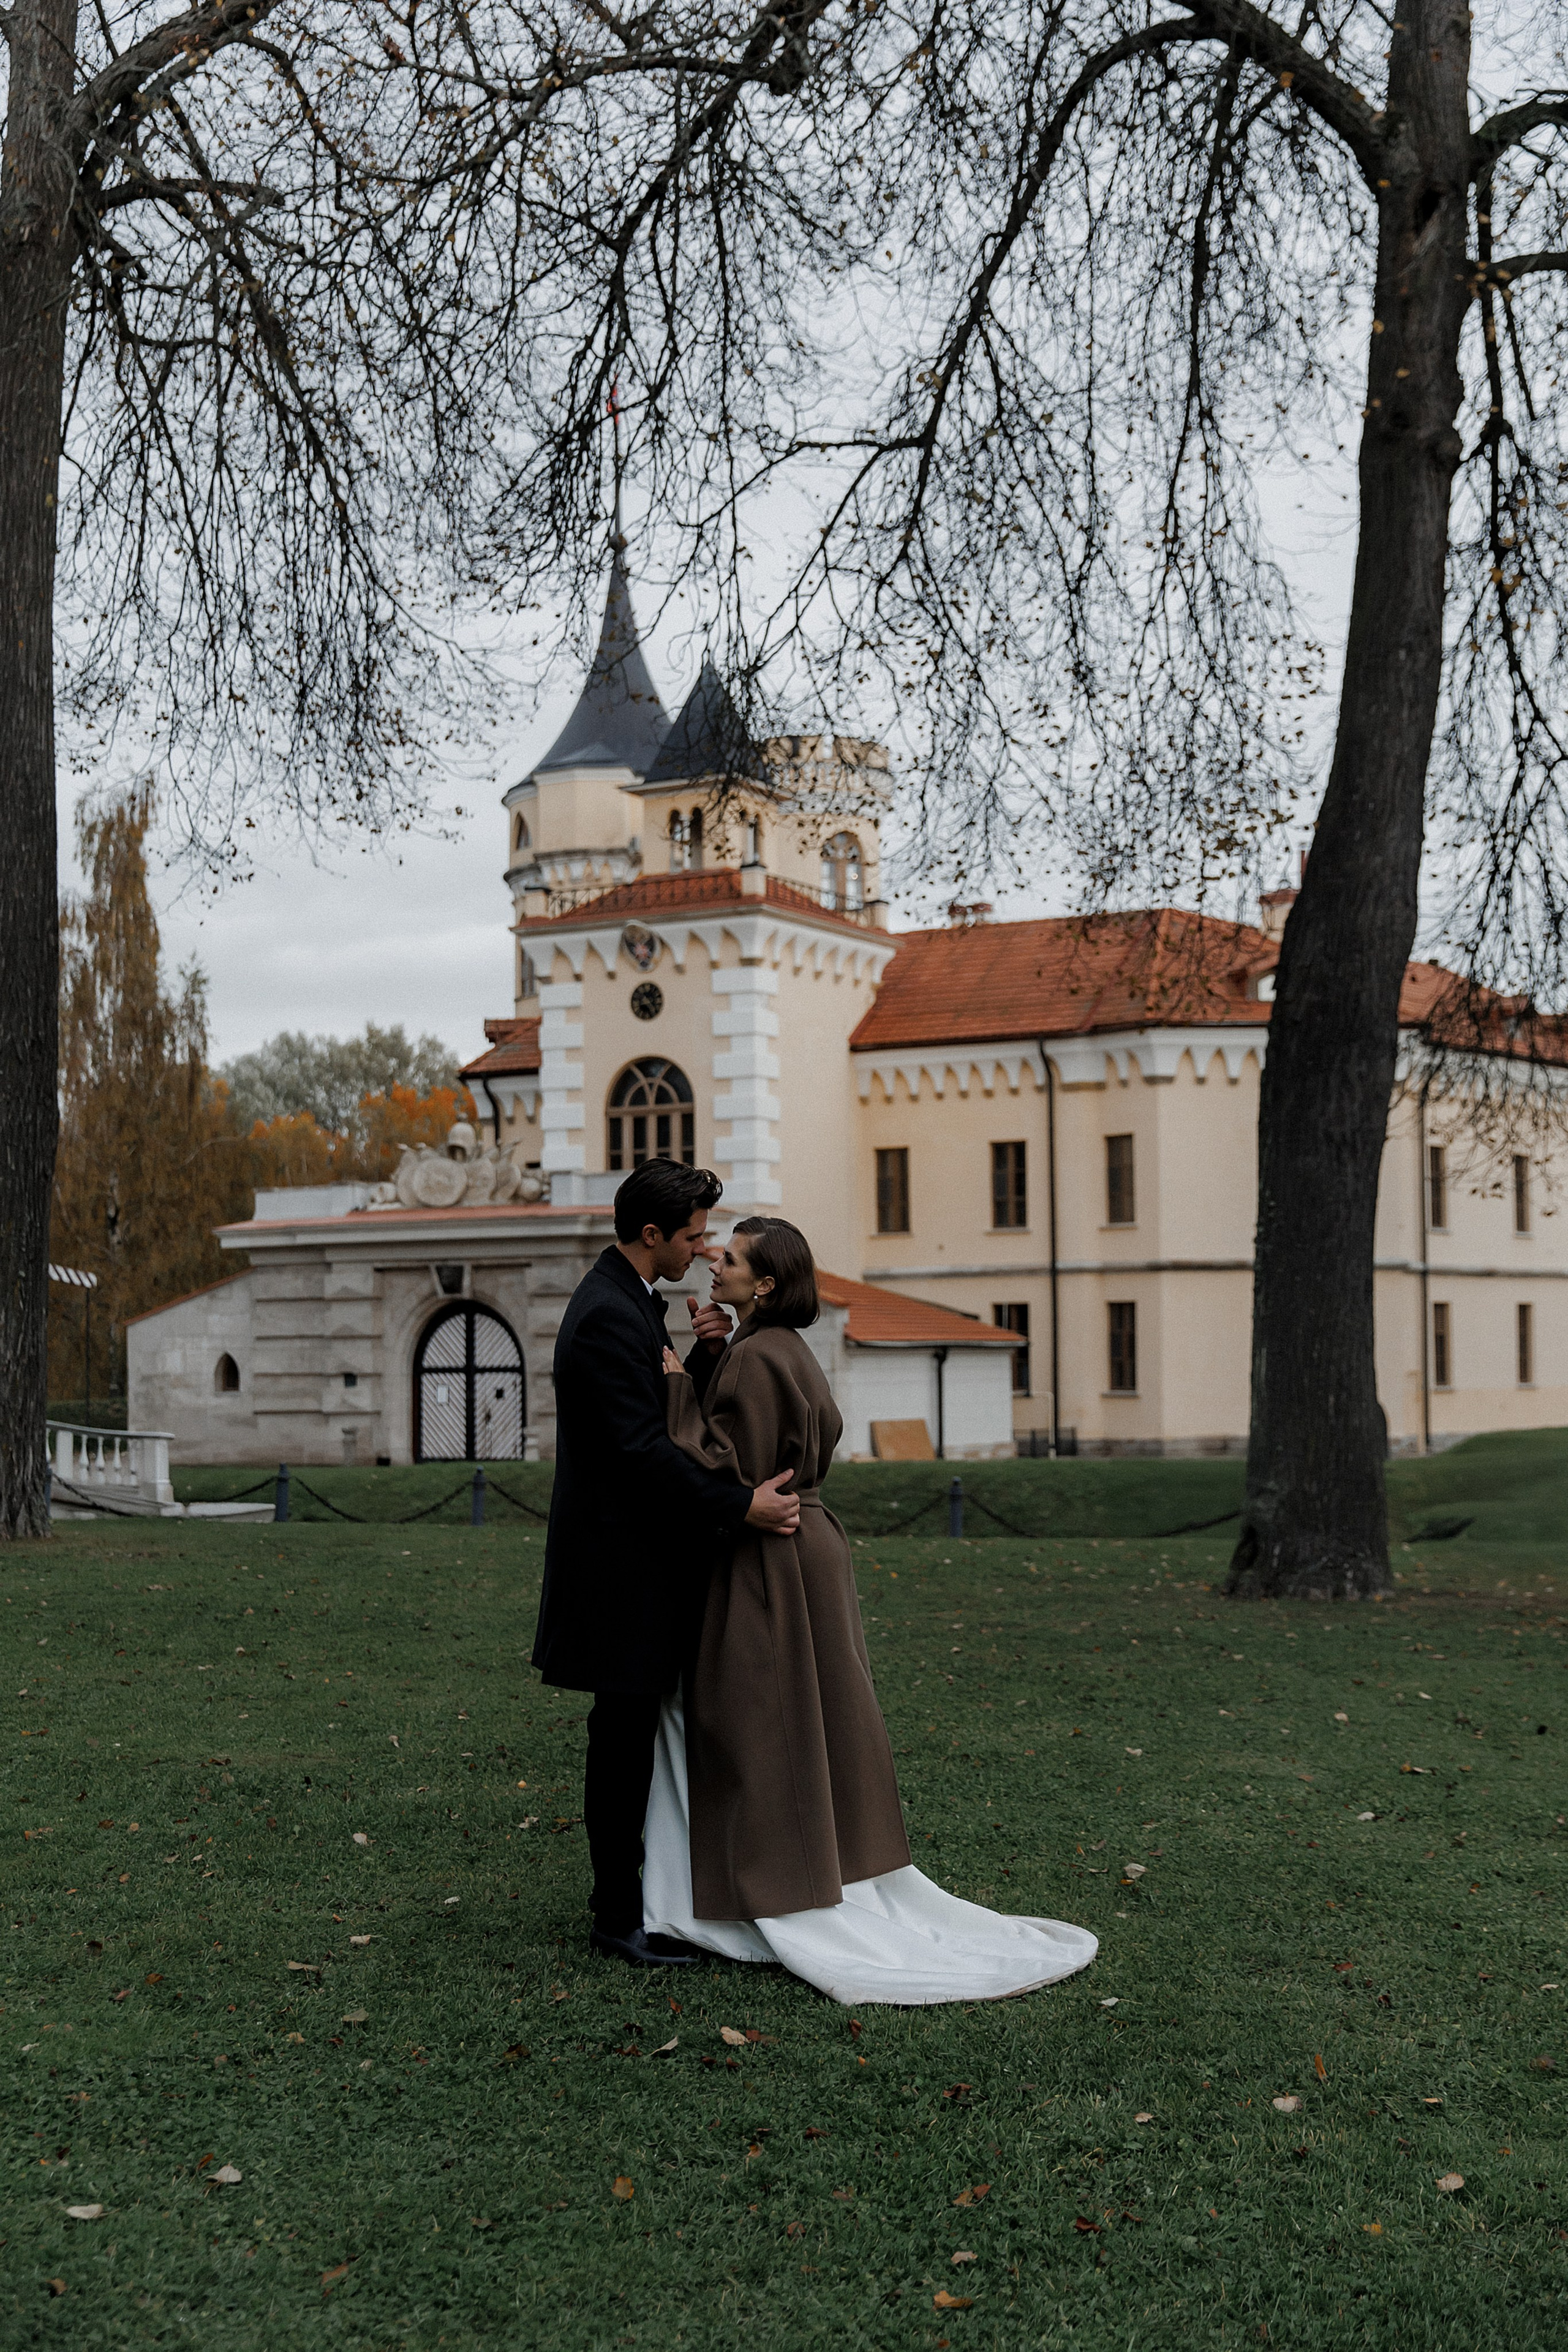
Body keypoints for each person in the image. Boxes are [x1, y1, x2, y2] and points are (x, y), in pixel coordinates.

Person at [642, 1215, 1098, 2005]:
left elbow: (727, 1464)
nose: (715, 1265)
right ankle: (825, 1858)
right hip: (814, 1543)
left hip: (769, 1554)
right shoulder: (784, 1349)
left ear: (768, 1284)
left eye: (733, 1260)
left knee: (755, 1714)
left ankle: (767, 1882)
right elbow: (770, 1430)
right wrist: (718, 1350)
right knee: (814, 1709)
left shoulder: (756, 1358)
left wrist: (679, 1379)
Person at [533, 1163, 802, 1967]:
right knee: (620, 1744)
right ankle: (617, 1919)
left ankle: (641, 1903)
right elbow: (642, 1455)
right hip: (618, 1575)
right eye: (693, 1235)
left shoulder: (629, 1304)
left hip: (634, 1566)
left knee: (631, 1739)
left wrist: (704, 1358)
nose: (704, 1246)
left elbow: (671, 1423)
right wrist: (740, 1505)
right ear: (651, 1235)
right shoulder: (607, 1319)